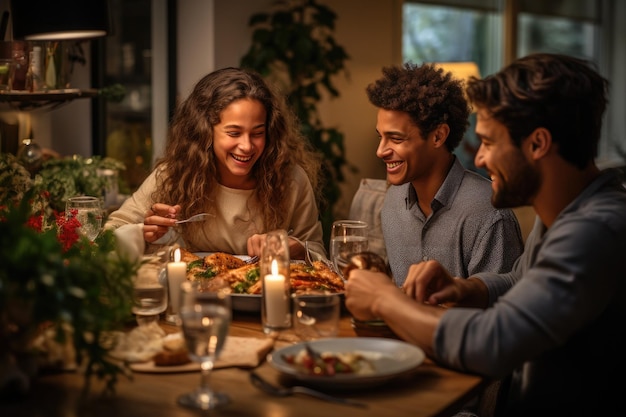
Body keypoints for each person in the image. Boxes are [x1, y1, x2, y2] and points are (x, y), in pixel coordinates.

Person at [345, 53, 626, 416]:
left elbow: (494, 341)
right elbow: (521, 281)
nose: (478, 159)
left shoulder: (595, 231)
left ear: (537, 144)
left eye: (490, 143)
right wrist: (467, 288)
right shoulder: (565, 212)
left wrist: (385, 298)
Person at [105, 67, 325, 259]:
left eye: (258, 133)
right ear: (206, 132)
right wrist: (143, 233)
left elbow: (318, 254)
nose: (247, 146)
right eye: (234, 133)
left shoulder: (292, 180)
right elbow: (111, 233)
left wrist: (297, 248)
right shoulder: (176, 174)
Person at [365, 62, 523, 287]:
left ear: (438, 136)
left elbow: (500, 314)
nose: (380, 151)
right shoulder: (392, 202)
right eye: (381, 137)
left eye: (396, 138)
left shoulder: (489, 214)